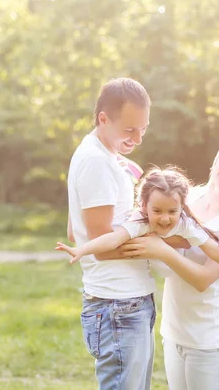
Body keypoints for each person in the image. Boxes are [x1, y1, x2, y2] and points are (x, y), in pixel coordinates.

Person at [117, 132, 219, 390]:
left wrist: (160, 249)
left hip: (208, 341)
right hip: (173, 331)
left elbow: (203, 280)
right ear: (217, 159)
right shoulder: (189, 197)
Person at [66, 77, 157, 390]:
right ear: (103, 119)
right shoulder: (95, 162)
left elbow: (72, 227)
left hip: (126, 302)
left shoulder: (106, 156)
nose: (138, 138)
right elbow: (99, 247)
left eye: (143, 129)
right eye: (130, 130)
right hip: (118, 305)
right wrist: (159, 244)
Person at [57, 166, 219, 291]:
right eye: (157, 211)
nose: (165, 218)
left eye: (172, 211)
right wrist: (81, 249)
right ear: (144, 207)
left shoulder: (186, 223)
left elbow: (214, 250)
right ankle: (121, 174)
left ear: (182, 208)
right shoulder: (140, 220)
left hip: (173, 258)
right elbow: (113, 239)